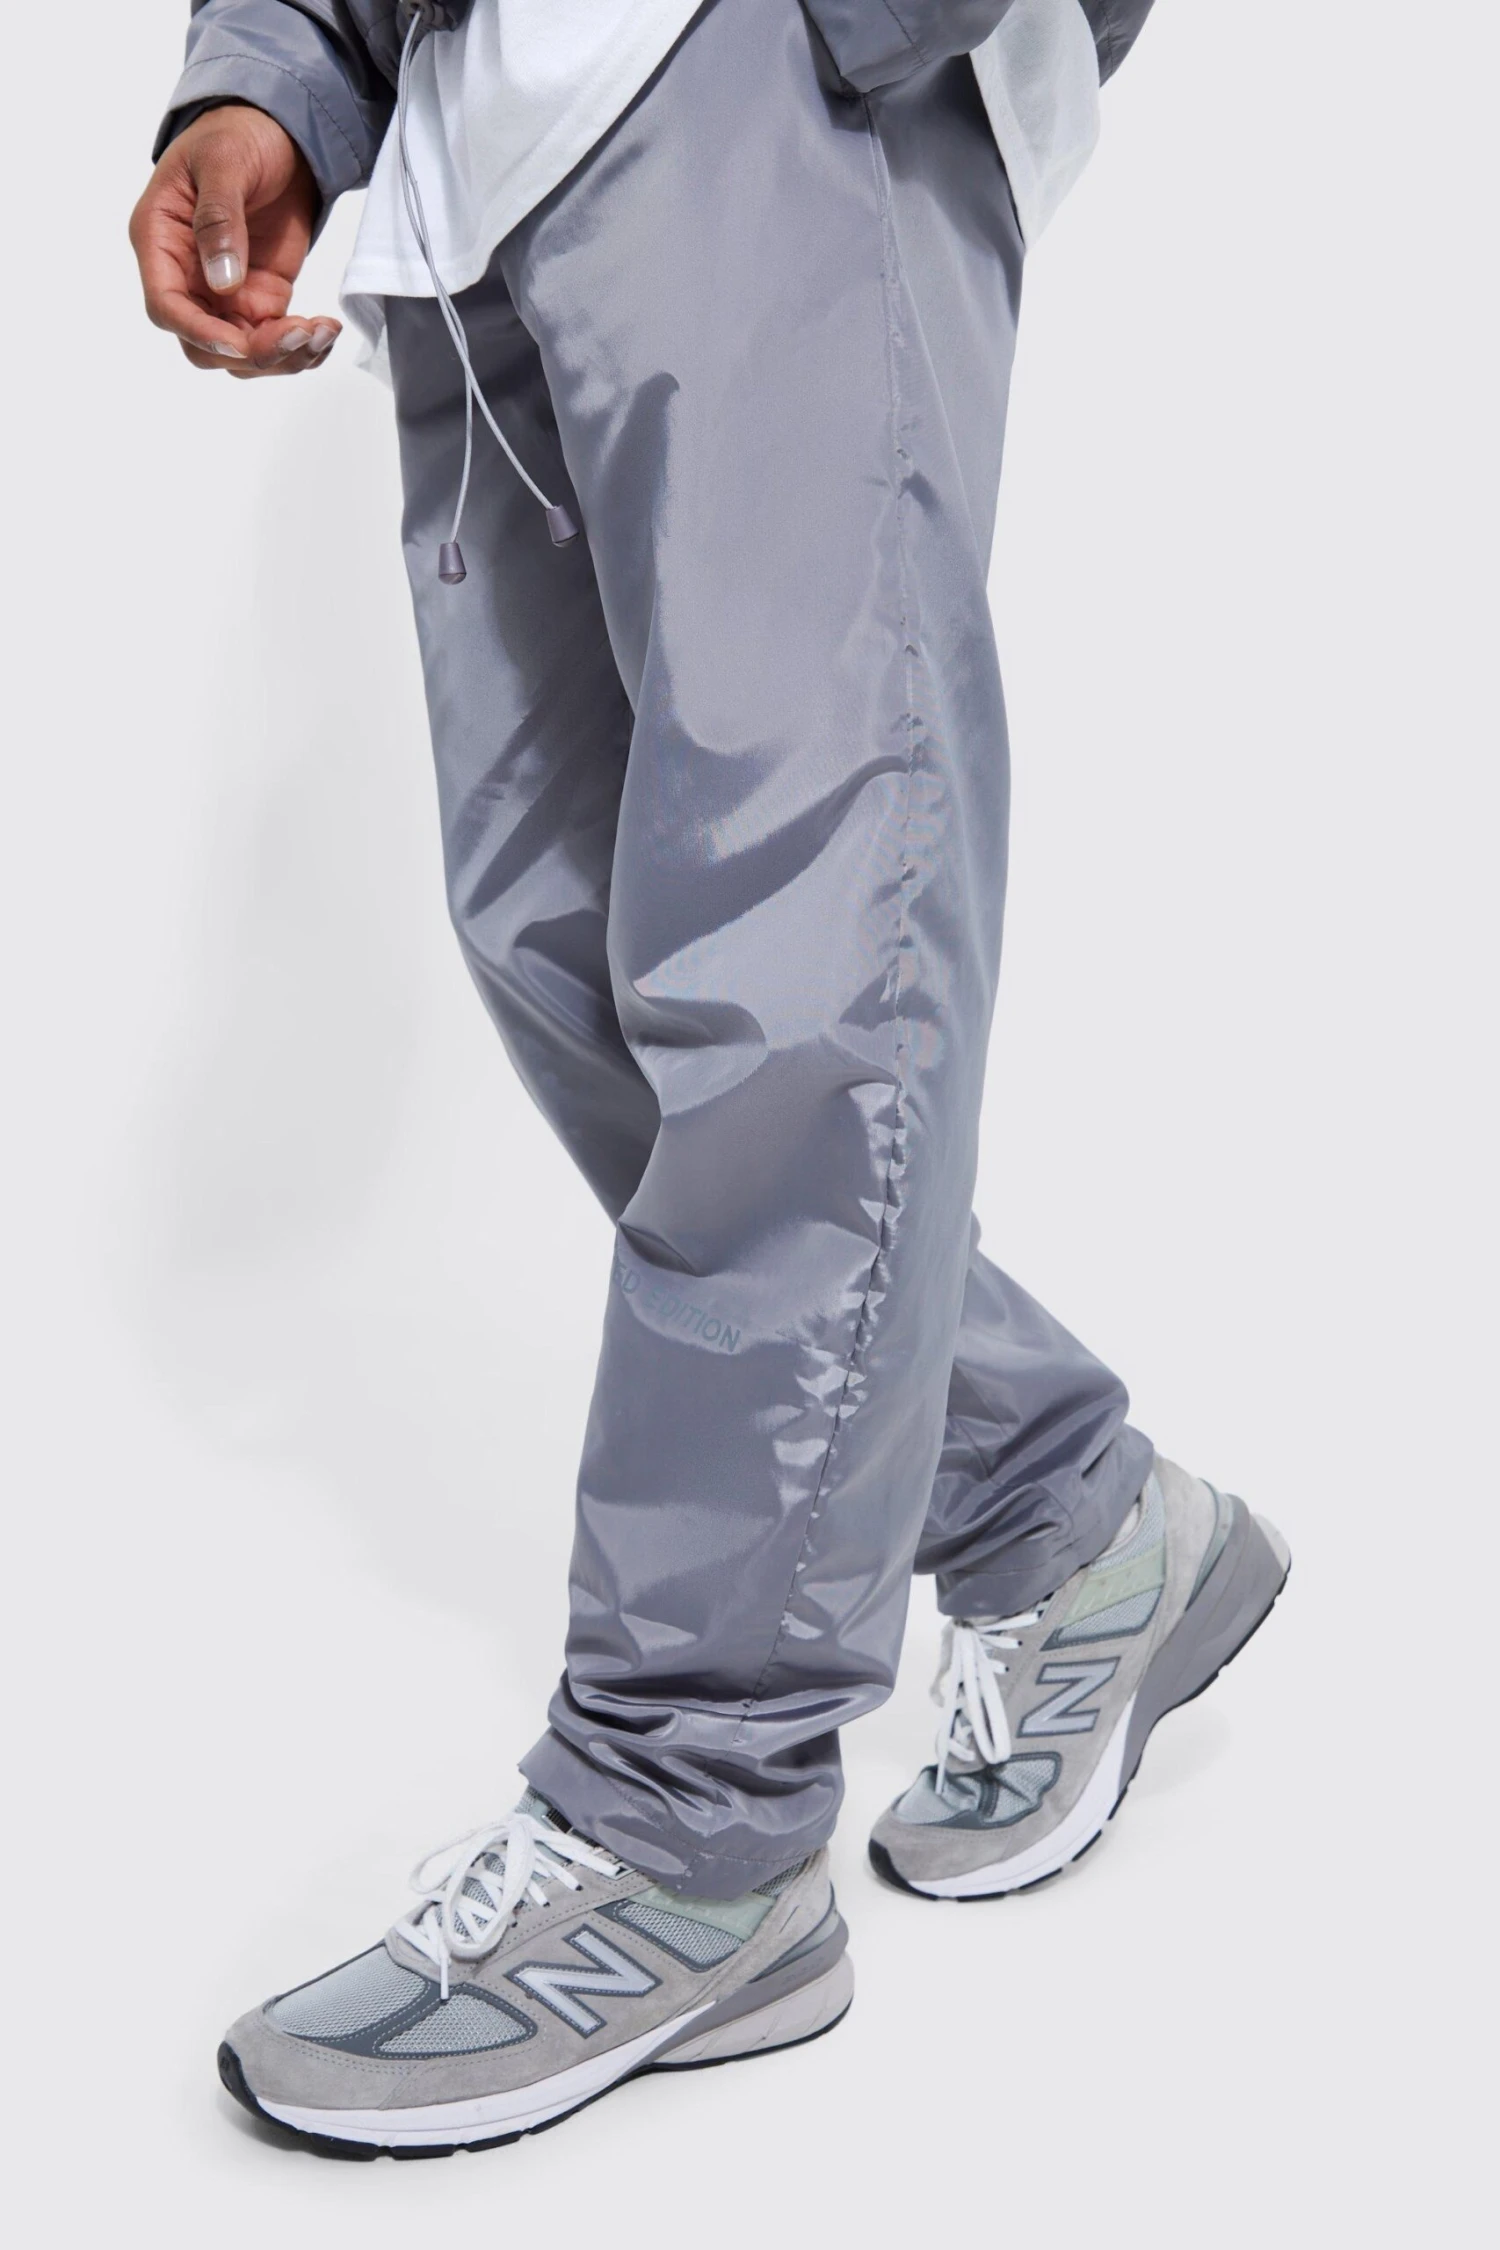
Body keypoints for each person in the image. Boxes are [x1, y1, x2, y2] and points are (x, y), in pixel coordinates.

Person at [130, 0, 1289, 2156]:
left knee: (794, 971)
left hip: (758, 68)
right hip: (473, 143)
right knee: (571, 955)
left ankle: (691, 1820)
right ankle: (1063, 1510)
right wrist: (274, 71)